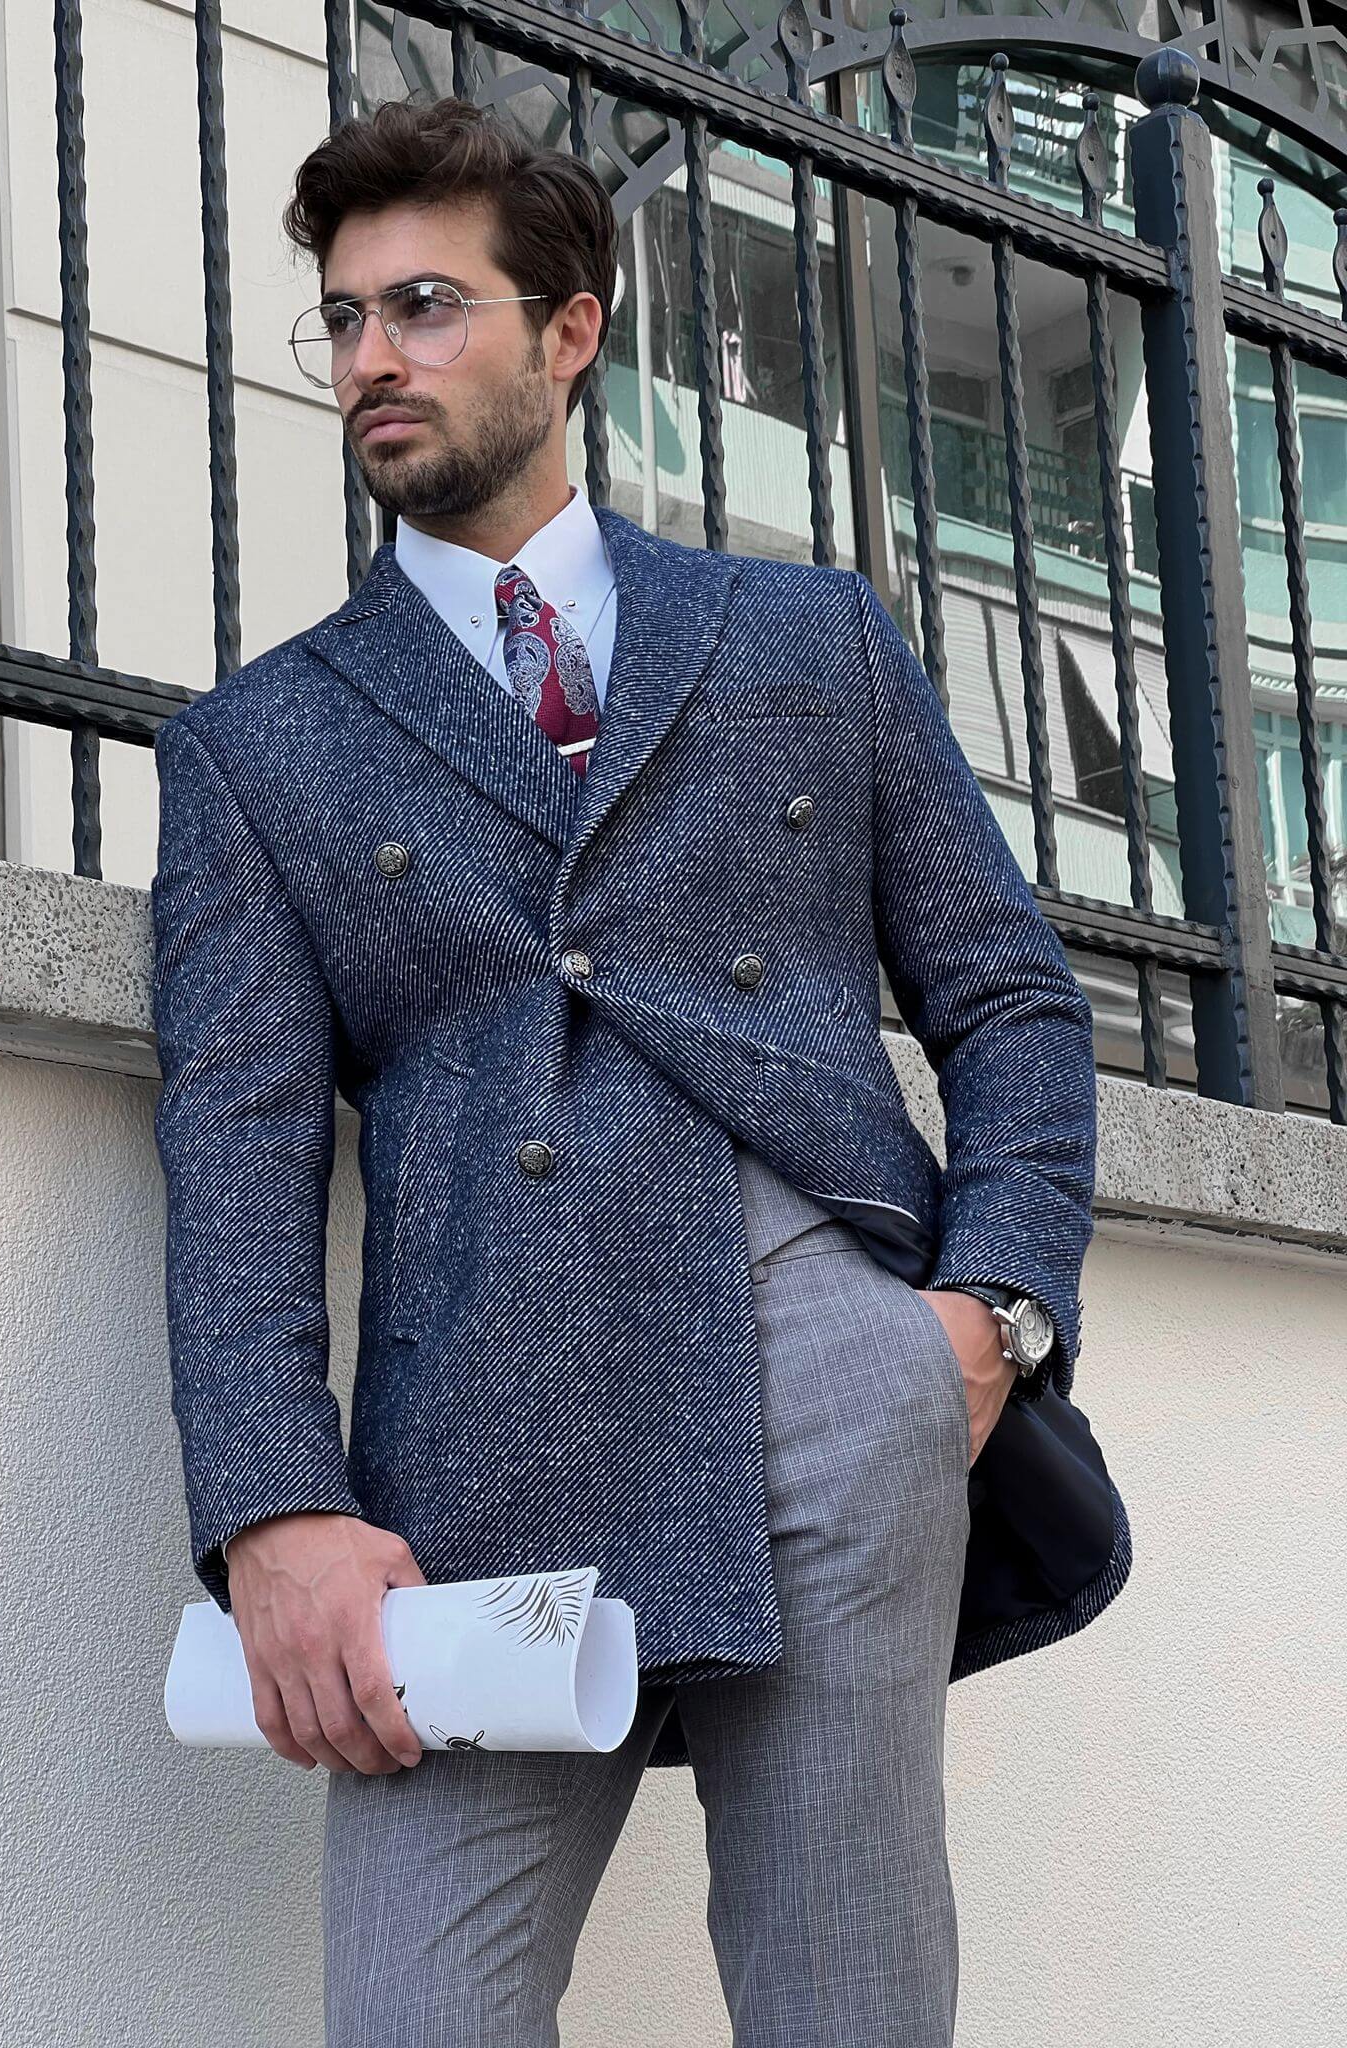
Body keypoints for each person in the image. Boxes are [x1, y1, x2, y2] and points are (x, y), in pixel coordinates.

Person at [149, 92, 1131, 2048]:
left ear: (570, 331)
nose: (371, 357)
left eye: (425, 306)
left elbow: (1012, 998)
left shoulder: (806, 638)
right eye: (341, 318)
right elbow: (236, 1158)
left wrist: (988, 1318)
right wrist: (274, 1509)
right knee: (417, 2016)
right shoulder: (256, 750)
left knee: (848, 2002)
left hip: (838, 1369)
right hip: (479, 1449)